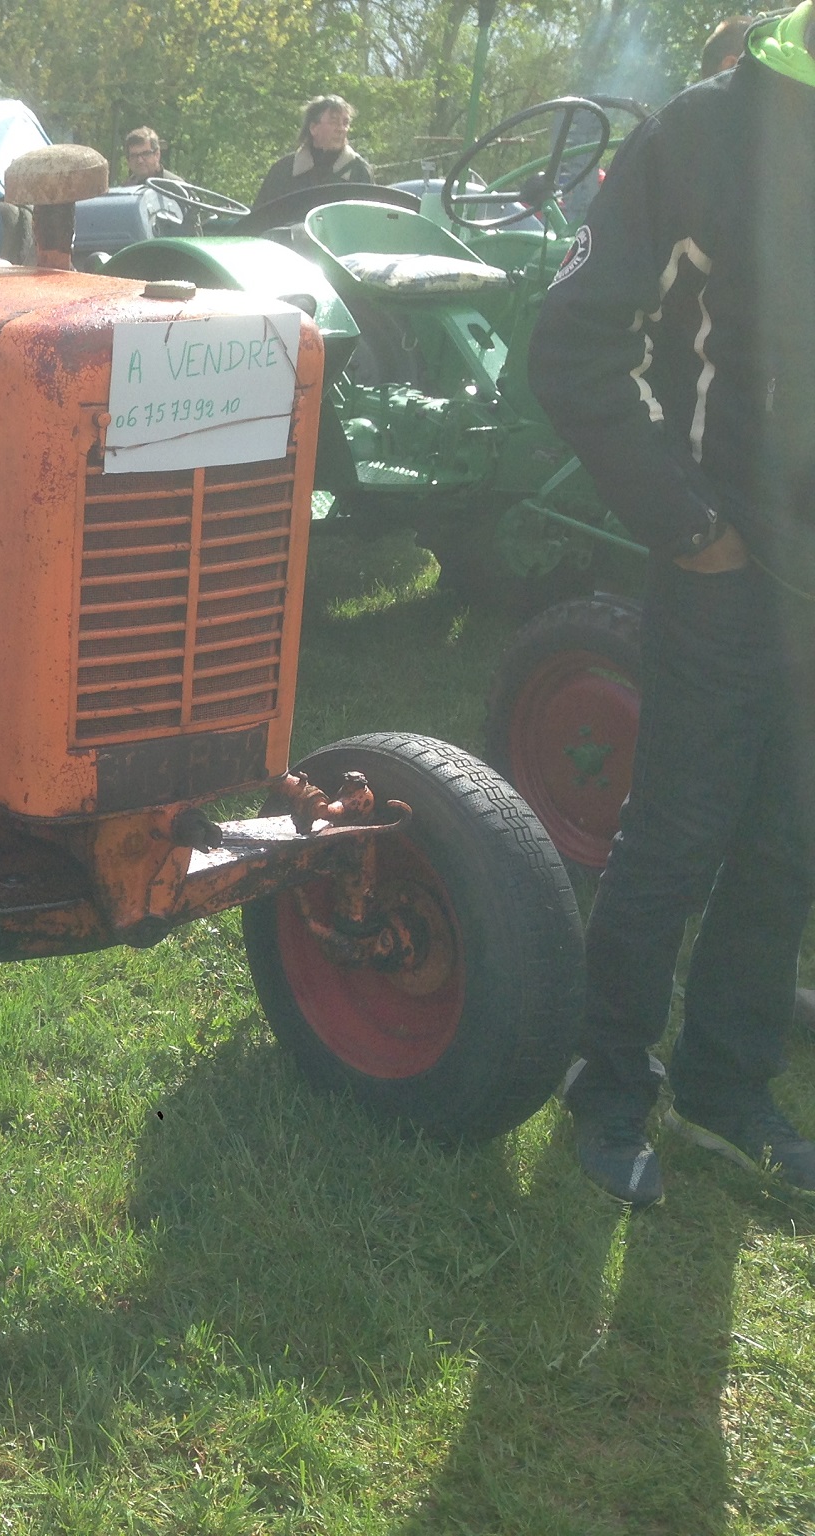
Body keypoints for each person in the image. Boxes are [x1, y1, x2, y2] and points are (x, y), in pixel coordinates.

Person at [528, 1, 815, 1205]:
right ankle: (604, 1082)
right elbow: (574, 346)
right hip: (727, 565)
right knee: (677, 832)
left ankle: (722, 1089)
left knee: (786, 840)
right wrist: (691, 528)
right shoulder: (707, 133)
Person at [252, 95, 371, 207]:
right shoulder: (283, 171)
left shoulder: (359, 171)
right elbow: (260, 218)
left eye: (345, 123)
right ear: (313, 128)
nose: (341, 129)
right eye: (334, 122)